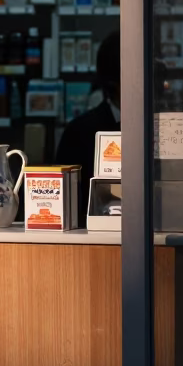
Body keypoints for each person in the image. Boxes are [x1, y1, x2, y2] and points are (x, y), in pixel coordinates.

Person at [54, 32, 121, 225]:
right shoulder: (80, 132)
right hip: (95, 238)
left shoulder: (160, 125)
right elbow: (64, 205)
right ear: (114, 81)